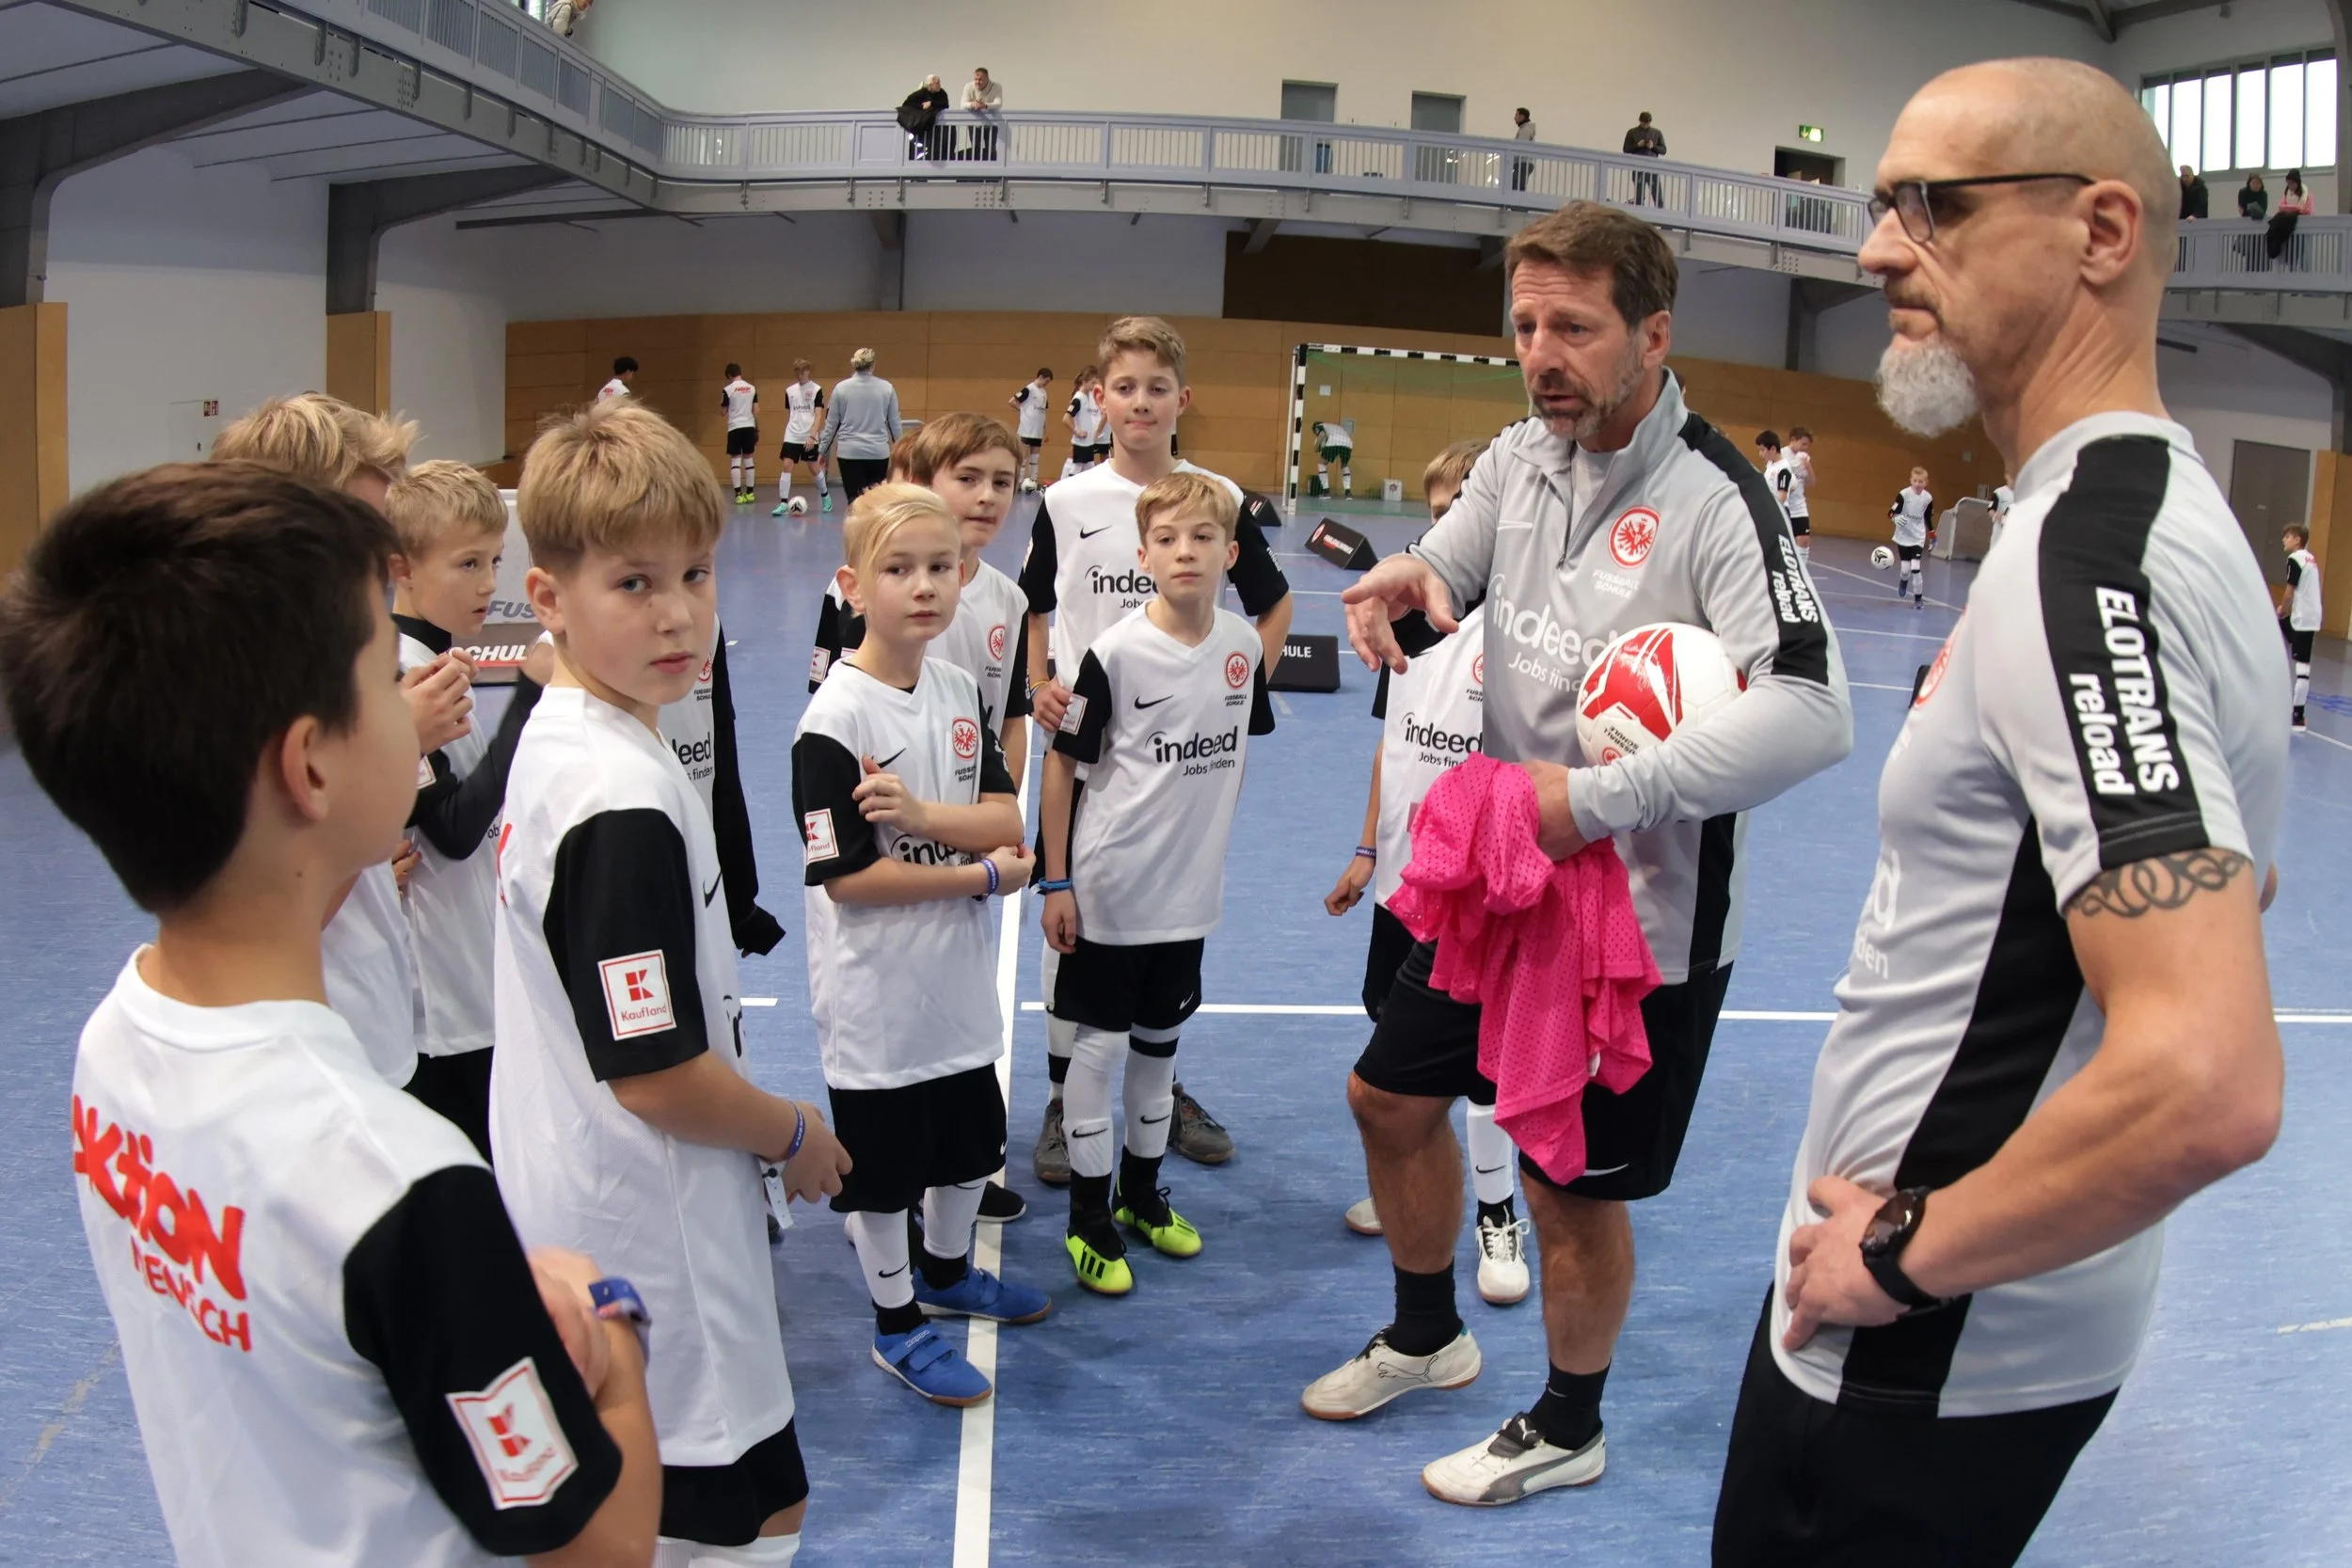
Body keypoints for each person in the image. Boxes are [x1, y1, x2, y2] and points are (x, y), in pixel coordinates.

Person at [1714, 58, 2288, 1567]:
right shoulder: (2147, 526)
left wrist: (1905, 1255)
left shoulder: (2085, 565)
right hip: (1985, 1332)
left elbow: (2209, 1076)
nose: (1876, 249)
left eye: (1933, 206)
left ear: (2100, 231)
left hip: (1923, 1352)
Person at [3, 461, 660, 1565]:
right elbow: (603, 1546)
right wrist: (608, 1318)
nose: (410, 699)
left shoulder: (114, 1037)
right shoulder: (400, 1179)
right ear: (309, 764)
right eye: (380, 669)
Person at [1310, 201, 1852, 1509]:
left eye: (1574, 327)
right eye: (1524, 326)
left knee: (1567, 1188)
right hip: (1504, 873)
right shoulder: (1521, 453)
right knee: (1387, 1098)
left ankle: (1568, 1420)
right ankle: (1428, 1333)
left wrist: (1601, 798)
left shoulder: (1717, 502)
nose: (1540, 355)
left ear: (1653, 335)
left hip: (1638, 923)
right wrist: (1409, 574)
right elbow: (1452, 561)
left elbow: (1814, 709)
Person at [496, 399, 852, 1564]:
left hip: (592, 1191)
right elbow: (653, 1071)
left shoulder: (573, 733)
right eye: (633, 583)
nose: (678, 612)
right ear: (548, 597)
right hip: (653, 1229)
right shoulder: (618, 802)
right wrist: (793, 1131)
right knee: (743, 1516)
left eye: (695, 573)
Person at [1019, 316, 1295, 1185]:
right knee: (1074, 927)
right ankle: (1064, 1100)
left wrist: (1233, 686)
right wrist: (1037, 683)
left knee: (1167, 922)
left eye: (1157, 388)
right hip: (1088, 748)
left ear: (1184, 398)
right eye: (1124, 388)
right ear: (1099, 399)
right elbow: (1034, 605)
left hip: (1173, 756)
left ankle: (1158, 1088)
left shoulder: (1216, 497)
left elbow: (1274, 603)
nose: (1140, 403)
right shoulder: (1066, 501)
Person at [794, 483, 1049, 1403]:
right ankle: (896, 1321)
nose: (925, 584)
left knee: (968, 1146)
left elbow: (1003, 814)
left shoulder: (954, 688)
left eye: (940, 566)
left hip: (955, 980)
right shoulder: (832, 722)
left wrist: (925, 819)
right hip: (877, 997)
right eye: (898, 568)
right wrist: (980, 877)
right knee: (883, 1174)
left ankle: (946, 1273)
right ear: (853, 585)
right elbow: (850, 880)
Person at [1037, 471, 1278, 1294]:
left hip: (1188, 899)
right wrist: (1057, 880)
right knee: (1099, 1051)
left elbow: (1231, 755)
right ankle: (1088, 1219)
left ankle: (1139, 1197)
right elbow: (1061, 768)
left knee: (1159, 1052)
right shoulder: (1114, 654)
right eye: (1167, 539)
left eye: (1203, 538)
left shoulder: (1243, 648)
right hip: (1110, 893)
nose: (1186, 552)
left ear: (1231, 553)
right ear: (1142, 557)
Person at [1325, 438, 1530, 1309]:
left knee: (1482, 1071)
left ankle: (1496, 1210)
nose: (1446, 532)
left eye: (1464, 516)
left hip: (1474, 895)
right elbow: (1393, 743)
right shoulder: (1405, 619)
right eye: (1438, 514)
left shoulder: (1517, 634)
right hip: (1400, 881)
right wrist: (1368, 848)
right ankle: (1416, 1170)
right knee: (1398, 1045)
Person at [211, 393, 457, 1091]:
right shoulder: (242, 694)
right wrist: (396, 752)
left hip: (369, 1024)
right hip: (314, 1056)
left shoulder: (331, 659)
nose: (379, 563)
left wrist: (372, 859)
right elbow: (265, 924)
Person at [385, 462, 555, 1161]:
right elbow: (453, 828)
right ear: (402, 567)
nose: (488, 583)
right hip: (439, 1000)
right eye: (466, 564)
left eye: (493, 561)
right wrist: (528, 696)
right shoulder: (403, 675)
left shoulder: (440, 662)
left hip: (471, 969)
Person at [815, 348, 903, 508]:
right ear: (873, 365)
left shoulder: (841, 388)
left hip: (849, 454)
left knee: (855, 502)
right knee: (876, 503)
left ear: (854, 365)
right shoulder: (887, 388)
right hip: (878, 453)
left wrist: (822, 451)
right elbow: (894, 423)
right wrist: (902, 450)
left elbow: (831, 424)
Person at [774, 358, 831, 515]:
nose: (799, 376)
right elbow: (791, 413)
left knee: (814, 467)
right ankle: (783, 503)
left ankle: (826, 496)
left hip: (809, 434)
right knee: (787, 465)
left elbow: (818, 415)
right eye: (797, 373)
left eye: (802, 373)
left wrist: (812, 436)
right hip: (792, 434)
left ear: (808, 372)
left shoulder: (816, 390)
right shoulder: (789, 391)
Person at [2280, 521, 2321, 732]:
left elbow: (2290, 590)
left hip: (2302, 618)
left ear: (2297, 540)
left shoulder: (2295, 559)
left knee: (2302, 667)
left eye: (2287, 536)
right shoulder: (2310, 558)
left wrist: (2282, 609)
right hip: (2310, 615)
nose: (2283, 540)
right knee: (2280, 627)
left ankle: (2297, 716)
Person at [1887, 466, 1935, 608]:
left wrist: (1933, 535)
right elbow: (1890, 512)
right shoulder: (1904, 494)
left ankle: (1918, 599)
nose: (1917, 484)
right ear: (1910, 480)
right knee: (1905, 570)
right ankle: (1903, 580)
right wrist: (1895, 518)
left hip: (1918, 537)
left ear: (1926, 483)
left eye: (1921, 481)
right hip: (1903, 536)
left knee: (1915, 568)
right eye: (1915, 481)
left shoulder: (1927, 498)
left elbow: (1928, 518)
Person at [1009, 368, 1055, 489]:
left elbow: (1043, 412)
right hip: (1026, 430)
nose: (1047, 383)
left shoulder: (1044, 393)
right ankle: (1019, 482)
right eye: (1046, 381)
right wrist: (1023, 410)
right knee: (1023, 457)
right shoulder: (1028, 389)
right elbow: (1012, 401)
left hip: (1037, 431)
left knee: (1035, 458)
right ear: (1040, 377)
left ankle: (1033, 480)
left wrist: (1045, 431)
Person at [723, 362, 760, 505]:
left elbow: (723, 412)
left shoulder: (728, 390)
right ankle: (750, 493)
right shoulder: (752, 388)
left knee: (736, 460)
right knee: (749, 459)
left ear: (729, 375)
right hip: (749, 426)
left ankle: (738, 494)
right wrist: (757, 429)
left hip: (735, 427)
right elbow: (756, 410)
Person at [1061, 366, 1103, 479]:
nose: (1094, 386)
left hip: (1089, 442)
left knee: (1089, 471)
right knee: (1075, 471)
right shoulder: (1078, 399)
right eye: (1092, 383)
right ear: (1084, 382)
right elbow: (1065, 419)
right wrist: (1077, 432)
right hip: (1081, 443)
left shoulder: (1088, 396)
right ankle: (1064, 486)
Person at [898, 75, 951, 163]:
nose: (940, 85)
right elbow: (906, 104)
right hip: (922, 126)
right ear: (930, 84)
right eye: (937, 83)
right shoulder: (921, 93)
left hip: (936, 128)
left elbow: (945, 104)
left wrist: (931, 103)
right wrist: (922, 106)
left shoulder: (942, 93)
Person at [1782, 426, 1816, 557]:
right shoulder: (1781, 454)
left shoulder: (1804, 458)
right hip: (1783, 504)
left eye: (1807, 445)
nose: (1805, 448)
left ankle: (1802, 569)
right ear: (1793, 440)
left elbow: (1811, 482)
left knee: (1804, 540)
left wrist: (1807, 466)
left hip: (1799, 506)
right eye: (1803, 444)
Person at [2268, 168, 2312, 265]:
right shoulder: (2287, 193)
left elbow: (2306, 210)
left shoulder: (2306, 194)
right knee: (2279, 217)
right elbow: (2281, 206)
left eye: (2292, 183)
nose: (2290, 186)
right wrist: (2295, 208)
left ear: (2297, 182)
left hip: (2298, 224)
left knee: (2297, 250)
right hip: (2286, 221)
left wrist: (2290, 208)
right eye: (2288, 184)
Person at [1624, 111, 1666, 206]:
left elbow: (1664, 150)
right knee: (1639, 197)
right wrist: (1637, 145)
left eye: (1648, 123)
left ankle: (1659, 212)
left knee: (1658, 197)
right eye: (1644, 123)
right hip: (1638, 167)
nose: (1646, 125)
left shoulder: (1657, 133)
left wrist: (1653, 146)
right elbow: (1626, 149)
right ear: (1640, 121)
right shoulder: (1632, 132)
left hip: (1653, 168)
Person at [962, 67, 1003, 161]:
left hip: (991, 123)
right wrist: (973, 104)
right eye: (976, 79)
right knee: (976, 148)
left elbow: (998, 104)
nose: (977, 82)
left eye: (980, 79)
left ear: (987, 79)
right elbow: (963, 104)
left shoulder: (996, 86)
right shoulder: (969, 86)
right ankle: (977, 167)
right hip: (974, 123)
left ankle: (992, 167)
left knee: (991, 148)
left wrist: (984, 105)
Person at [1311, 419, 1355, 499]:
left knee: (1322, 464)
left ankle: (1326, 492)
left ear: (1315, 429)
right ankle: (1348, 493)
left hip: (1334, 442)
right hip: (1348, 443)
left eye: (1314, 432)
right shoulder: (1334, 427)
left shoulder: (1320, 426)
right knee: (1344, 465)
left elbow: (1322, 435)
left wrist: (1316, 447)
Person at [1512, 107, 1537, 194]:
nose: (1514, 117)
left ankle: (1517, 202)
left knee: (1517, 187)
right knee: (1518, 186)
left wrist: (1511, 159)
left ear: (1522, 116)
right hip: (1523, 163)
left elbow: (1520, 148)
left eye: (1516, 115)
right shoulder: (1525, 129)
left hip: (1523, 163)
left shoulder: (1525, 130)